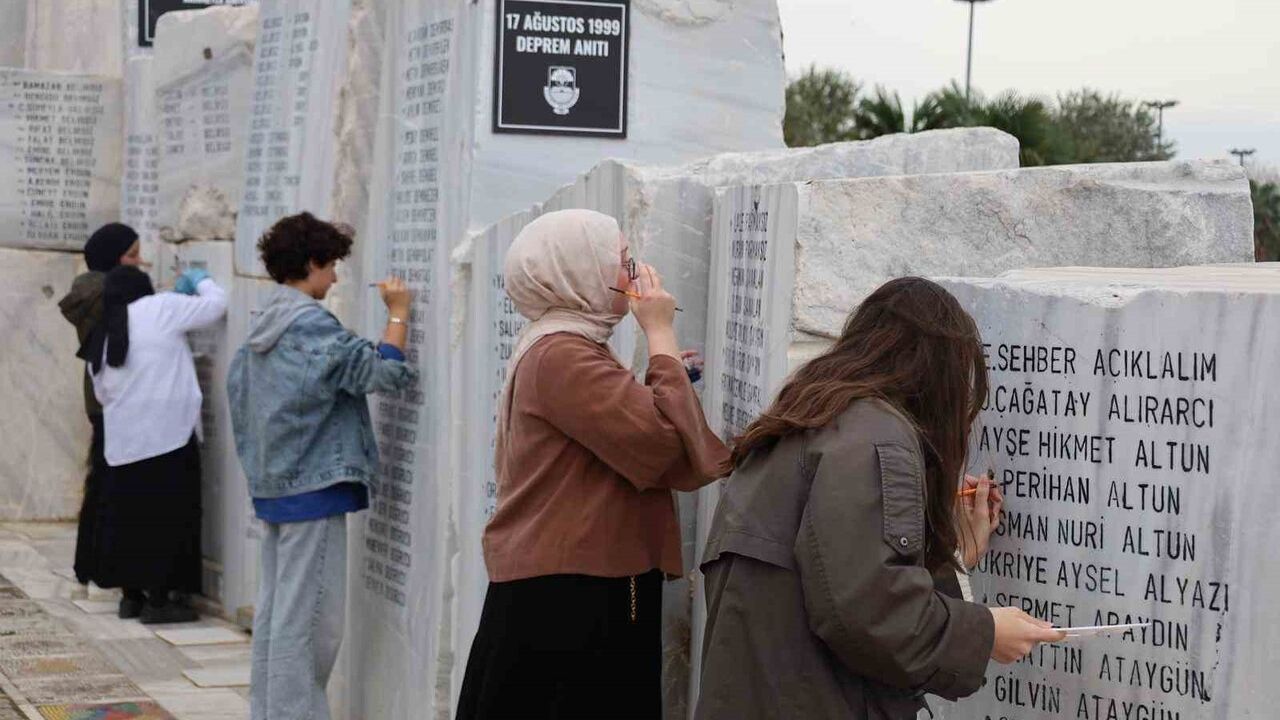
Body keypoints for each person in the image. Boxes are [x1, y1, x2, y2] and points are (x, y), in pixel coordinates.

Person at [695, 277, 1066, 720]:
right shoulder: (874, 434)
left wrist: (954, 556)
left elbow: (829, 580)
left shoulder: (813, 416)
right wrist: (986, 633)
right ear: (938, 373)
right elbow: (867, 611)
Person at [456, 209, 729, 719]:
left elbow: (625, 424)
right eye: (623, 261)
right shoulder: (562, 354)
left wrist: (667, 375)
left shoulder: (567, 345)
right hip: (576, 598)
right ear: (574, 271)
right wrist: (661, 336)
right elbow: (663, 446)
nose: (634, 275)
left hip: (570, 587)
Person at [226, 212, 416, 720]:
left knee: (277, 617)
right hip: (314, 486)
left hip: (278, 487)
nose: (334, 279)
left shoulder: (264, 320)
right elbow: (383, 372)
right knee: (310, 624)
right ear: (311, 263)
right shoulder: (309, 323)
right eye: (331, 266)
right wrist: (398, 314)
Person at [81, 263, 227, 623]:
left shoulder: (101, 334)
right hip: (169, 439)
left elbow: (101, 393)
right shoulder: (161, 308)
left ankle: (131, 598)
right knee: (169, 522)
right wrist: (200, 279)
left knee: (130, 522)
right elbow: (217, 304)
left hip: (124, 444)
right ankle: (160, 602)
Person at [58, 223, 147, 591]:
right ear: (114, 259)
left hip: (99, 397)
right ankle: (106, 568)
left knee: (100, 482)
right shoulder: (109, 292)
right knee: (113, 486)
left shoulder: (88, 290)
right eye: (132, 255)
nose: (140, 263)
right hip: (114, 396)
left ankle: (89, 565)